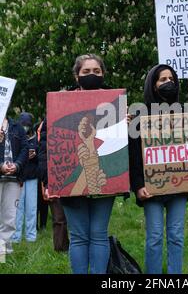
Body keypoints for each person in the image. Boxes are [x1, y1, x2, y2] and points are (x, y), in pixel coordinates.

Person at [42, 54, 116, 274]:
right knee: (79, 236)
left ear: (103, 74)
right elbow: (49, 144)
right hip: (69, 180)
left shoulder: (115, 104)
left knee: (99, 234)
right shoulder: (60, 104)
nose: (92, 75)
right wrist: (49, 181)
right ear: (77, 76)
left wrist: (125, 125)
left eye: (96, 71)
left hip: (105, 178)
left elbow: (123, 148)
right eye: (86, 72)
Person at [129, 64, 188, 274]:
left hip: (179, 187)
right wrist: (138, 185)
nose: (167, 82)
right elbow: (134, 155)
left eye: (171, 78)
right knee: (154, 237)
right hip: (151, 188)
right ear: (153, 84)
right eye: (162, 79)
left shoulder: (185, 113)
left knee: (176, 236)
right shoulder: (140, 115)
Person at [38, 118, 69, 251]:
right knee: (59, 217)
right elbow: (43, 153)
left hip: (77, 173)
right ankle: (61, 249)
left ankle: (80, 248)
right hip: (55, 174)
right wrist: (46, 182)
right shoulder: (50, 116)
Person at [0, 116, 28, 254]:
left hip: (13, 179)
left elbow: (25, 149)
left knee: (9, 219)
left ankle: (3, 256)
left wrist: (17, 165)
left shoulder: (17, 127)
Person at [11, 112, 38, 243]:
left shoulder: (35, 137)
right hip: (19, 177)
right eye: (23, 125)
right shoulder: (15, 136)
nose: (26, 127)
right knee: (18, 208)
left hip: (32, 177)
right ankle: (16, 237)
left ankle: (31, 236)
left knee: (32, 208)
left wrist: (35, 154)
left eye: (28, 125)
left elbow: (41, 155)